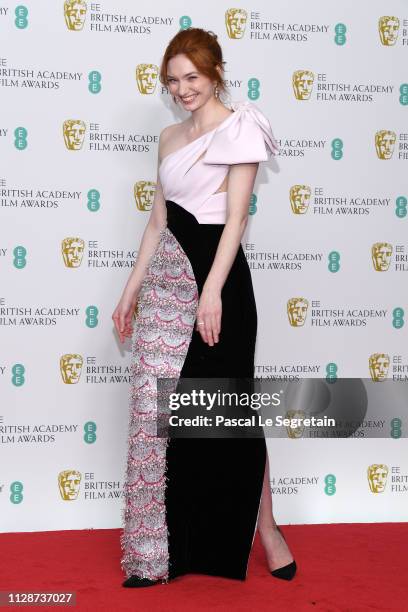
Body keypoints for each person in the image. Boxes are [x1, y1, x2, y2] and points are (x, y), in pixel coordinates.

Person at [112, 27, 297, 588]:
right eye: (173, 80)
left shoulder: (239, 128)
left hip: (219, 285)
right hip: (168, 284)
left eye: (191, 76)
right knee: (161, 414)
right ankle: (163, 549)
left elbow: (236, 219)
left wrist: (213, 291)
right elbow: (158, 220)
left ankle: (266, 529)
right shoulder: (169, 136)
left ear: (215, 73)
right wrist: (130, 289)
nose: (182, 88)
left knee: (229, 416)